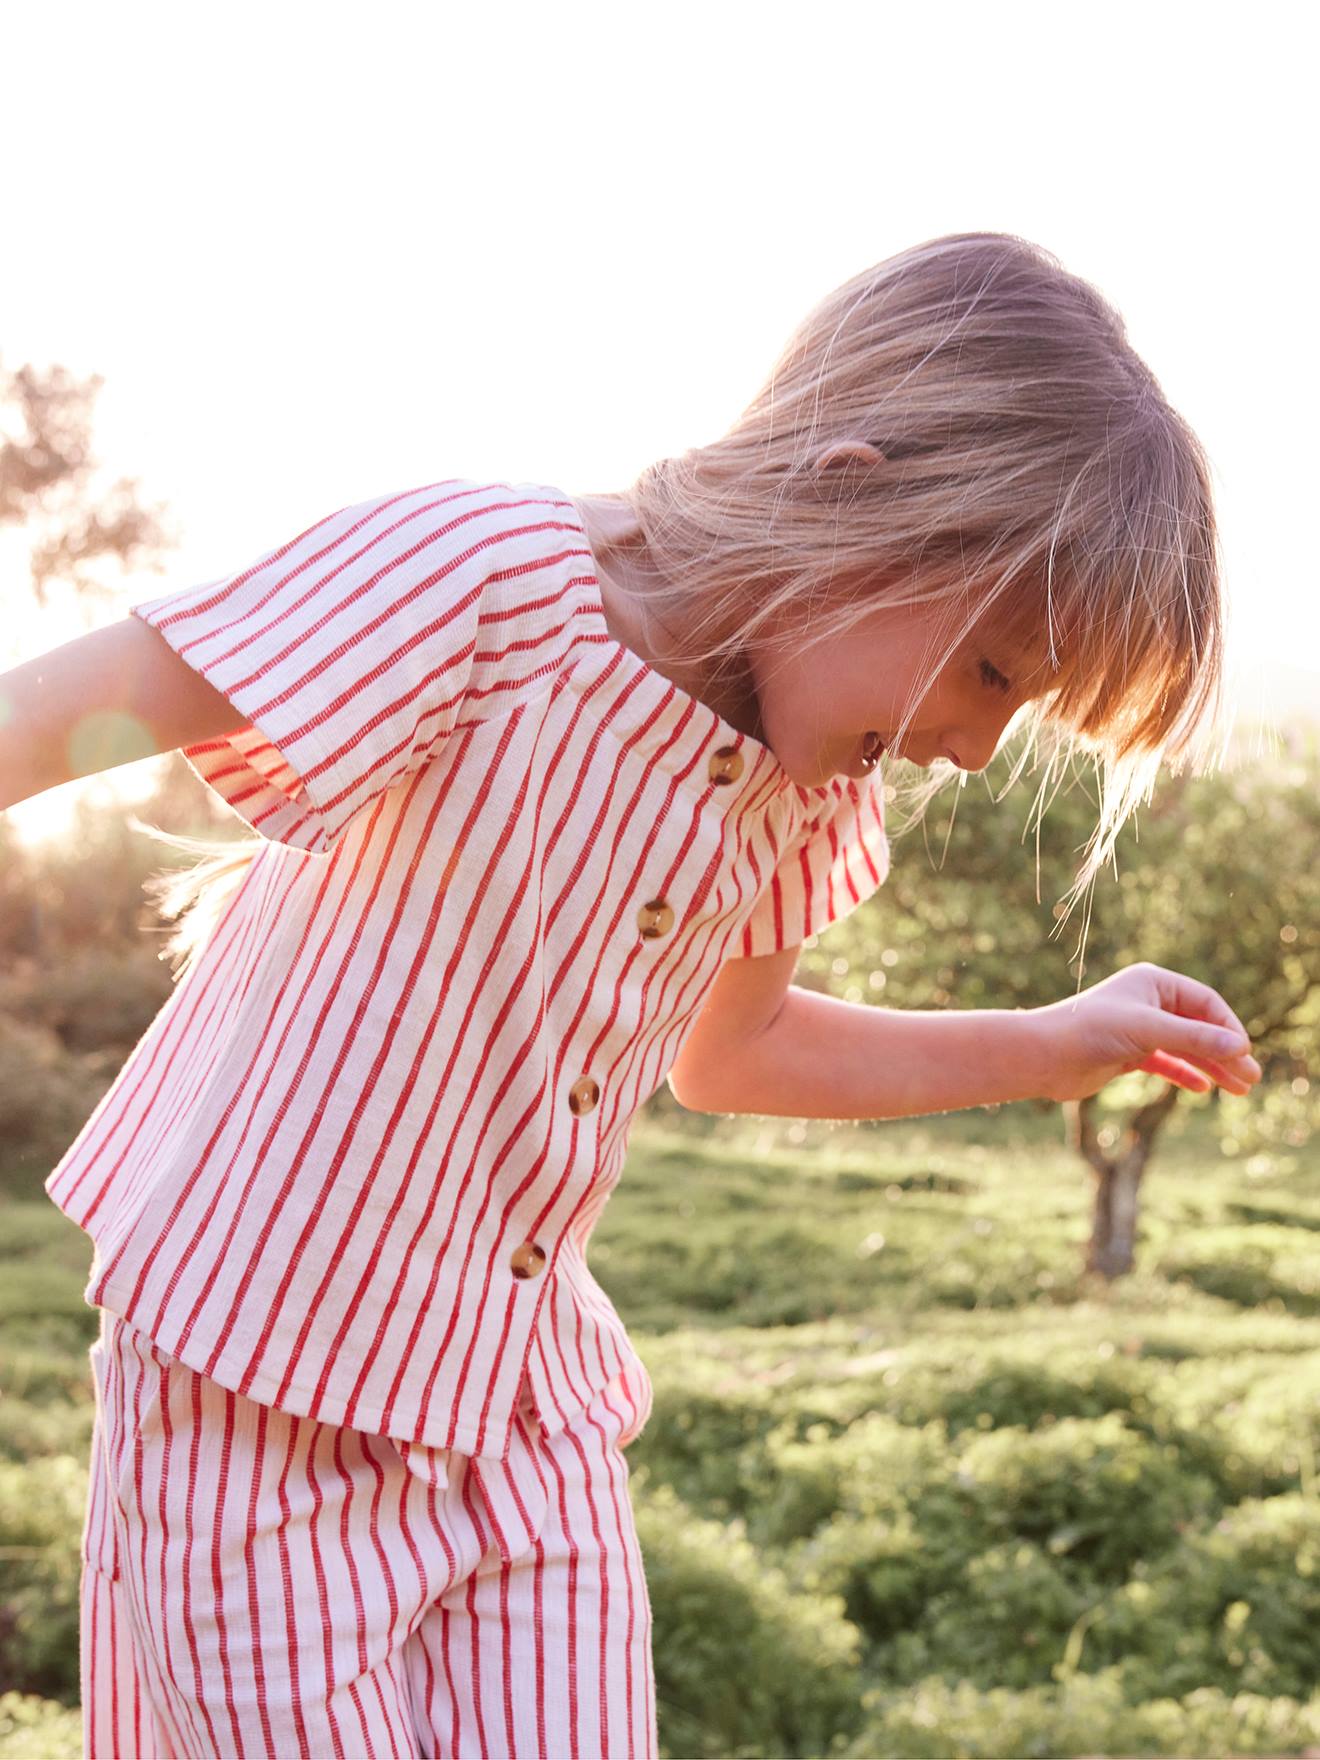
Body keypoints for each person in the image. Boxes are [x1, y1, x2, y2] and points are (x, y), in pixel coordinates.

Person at [1, 230, 1261, 1760]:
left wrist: (1054, 1042)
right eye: (993, 674)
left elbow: (739, 1053)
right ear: (854, 497)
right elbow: (44, 725)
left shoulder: (800, 786)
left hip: (520, 1423)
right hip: (257, 1394)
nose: (978, 754)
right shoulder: (482, 587)